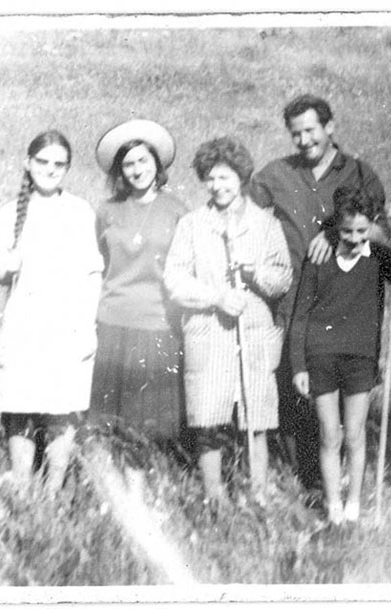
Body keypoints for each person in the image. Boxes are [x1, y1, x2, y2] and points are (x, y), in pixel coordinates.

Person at [252, 93, 389, 486]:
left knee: (341, 407)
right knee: (295, 391)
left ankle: (342, 482)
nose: (304, 140)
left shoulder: (360, 174)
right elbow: (243, 210)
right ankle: (307, 482)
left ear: (329, 128)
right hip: (289, 301)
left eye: (310, 130)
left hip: (341, 309)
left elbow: (384, 235)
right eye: (295, 134)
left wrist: (335, 232)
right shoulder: (276, 174)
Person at [164, 136, 292, 503]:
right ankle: (213, 496)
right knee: (208, 419)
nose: (218, 186)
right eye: (211, 179)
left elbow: (282, 277)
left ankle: (258, 492)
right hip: (209, 332)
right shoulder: (192, 224)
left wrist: (254, 275)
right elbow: (174, 279)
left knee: (257, 420)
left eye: (226, 177)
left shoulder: (266, 225)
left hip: (252, 335)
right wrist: (216, 297)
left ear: (242, 177)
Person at [0, 130, 103, 497]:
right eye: (43, 162)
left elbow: (93, 273)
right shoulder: (9, 214)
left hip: (68, 324)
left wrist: (87, 326)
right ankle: (22, 482)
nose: (50, 170)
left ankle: (54, 486)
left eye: (59, 164)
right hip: (26, 322)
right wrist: (6, 264)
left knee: (62, 408)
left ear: (67, 168)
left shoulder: (80, 211)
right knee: (20, 404)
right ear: (28, 163)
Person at [289, 186, 391, 524]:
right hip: (321, 355)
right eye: (347, 232)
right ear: (335, 228)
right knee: (331, 434)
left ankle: (354, 506)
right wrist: (299, 364)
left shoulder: (377, 257)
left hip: (360, 357)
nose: (356, 239)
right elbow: (300, 314)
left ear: (371, 226)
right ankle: (333, 508)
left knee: (355, 433)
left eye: (362, 231)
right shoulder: (320, 258)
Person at [89, 120, 188, 471]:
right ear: (120, 170)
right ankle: (112, 483)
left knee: (153, 422)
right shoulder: (106, 212)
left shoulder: (177, 210)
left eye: (143, 161)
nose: (137, 170)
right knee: (110, 419)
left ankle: (152, 484)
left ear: (157, 165)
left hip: (158, 323)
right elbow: (96, 265)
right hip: (113, 322)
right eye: (129, 164)